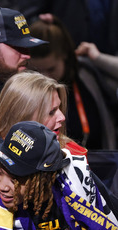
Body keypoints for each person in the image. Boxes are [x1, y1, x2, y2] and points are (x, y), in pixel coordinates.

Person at [28, 15, 116, 150]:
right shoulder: (24, 88)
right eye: (37, 71)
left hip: (100, 162)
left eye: (51, 69)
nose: (45, 78)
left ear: (64, 55)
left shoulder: (86, 74)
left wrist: (98, 58)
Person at [0, 70, 86, 156]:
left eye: (59, 108)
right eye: (51, 112)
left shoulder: (74, 154)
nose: (62, 117)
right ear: (22, 117)